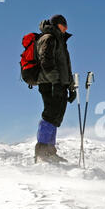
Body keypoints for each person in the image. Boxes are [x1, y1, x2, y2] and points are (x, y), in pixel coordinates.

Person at [34, 14, 76, 163]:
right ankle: (41, 151)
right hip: (49, 83)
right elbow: (46, 62)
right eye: (63, 26)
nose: (65, 29)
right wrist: (56, 83)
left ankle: (50, 151)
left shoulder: (60, 41)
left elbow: (65, 67)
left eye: (66, 27)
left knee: (56, 117)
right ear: (57, 25)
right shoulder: (48, 38)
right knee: (50, 114)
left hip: (59, 84)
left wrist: (70, 87)